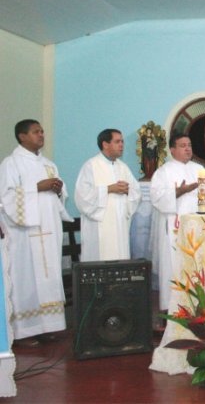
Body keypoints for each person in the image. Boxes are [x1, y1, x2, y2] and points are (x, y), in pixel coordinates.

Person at [0, 120, 72, 347]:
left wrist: (59, 190)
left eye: (42, 131)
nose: (41, 135)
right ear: (22, 136)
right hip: (24, 234)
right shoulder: (11, 163)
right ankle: (23, 332)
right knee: (26, 278)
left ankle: (46, 326)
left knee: (49, 275)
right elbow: (6, 197)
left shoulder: (49, 164)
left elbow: (61, 198)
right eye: (35, 132)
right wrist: (37, 187)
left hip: (49, 229)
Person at [149, 132, 205, 311]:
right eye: (183, 145)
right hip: (174, 227)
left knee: (198, 265)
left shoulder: (199, 169)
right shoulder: (163, 172)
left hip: (198, 226)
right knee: (174, 265)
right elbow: (157, 198)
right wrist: (179, 191)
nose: (188, 149)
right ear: (172, 150)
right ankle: (174, 308)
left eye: (189, 145)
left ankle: (199, 306)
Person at [75, 128, 141, 261]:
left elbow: (136, 192)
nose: (122, 145)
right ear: (105, 144)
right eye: (117, 141)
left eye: (122, 141)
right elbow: (82, 197)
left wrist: (128, 190)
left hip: (120, 225)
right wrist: (109, 189)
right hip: (99, 226)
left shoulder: (123, 167)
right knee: (101, 258)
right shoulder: (91, 166)